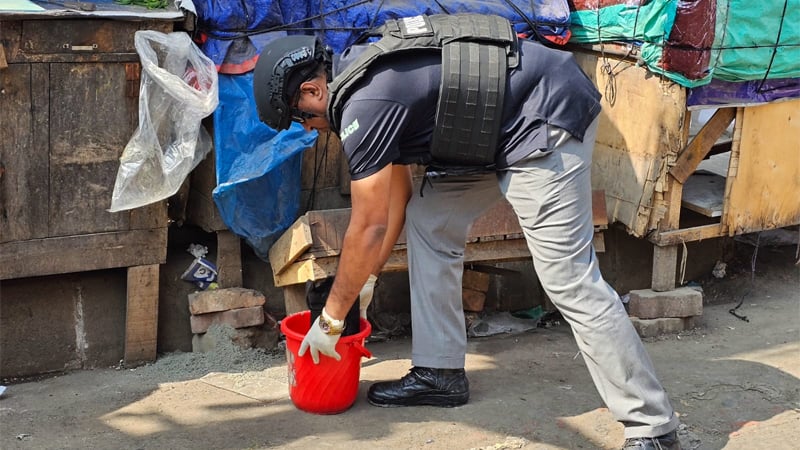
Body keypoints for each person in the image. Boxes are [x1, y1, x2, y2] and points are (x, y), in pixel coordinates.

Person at [253, 14, 680, 450]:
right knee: (430, 219)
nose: (306, 128)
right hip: (486, 133)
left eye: (299, 118)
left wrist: (331, 318)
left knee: (568, 279)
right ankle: (440, 373)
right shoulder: (365, 75)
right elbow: (397, 198)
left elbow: (368, 225)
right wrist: (369, 279)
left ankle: (652, 425)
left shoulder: (363, 106)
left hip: (541, 118)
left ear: (311, 90)